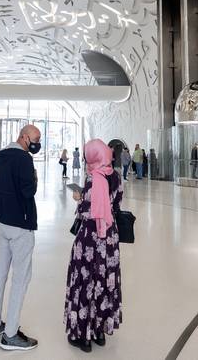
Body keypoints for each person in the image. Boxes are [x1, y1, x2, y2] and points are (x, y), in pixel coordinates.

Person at [64, 139, 123, 353]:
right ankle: (98, 331)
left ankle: (82, 336)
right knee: (103, 281)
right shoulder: (115, 177)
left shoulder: (93, 180)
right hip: (110, 239)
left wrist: (79, 198)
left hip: (90, 239)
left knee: (84, 282)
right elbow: (115, 204)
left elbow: (87, 212)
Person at [0, 124, 42, 351]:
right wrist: (35, 178)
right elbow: (29, 191)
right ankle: (10, 335)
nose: (38, 143)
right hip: (20, 224)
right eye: (36, 138)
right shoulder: (25, 160)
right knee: (21, 278)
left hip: (1, 221)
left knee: (0, 272)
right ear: (24, 137)